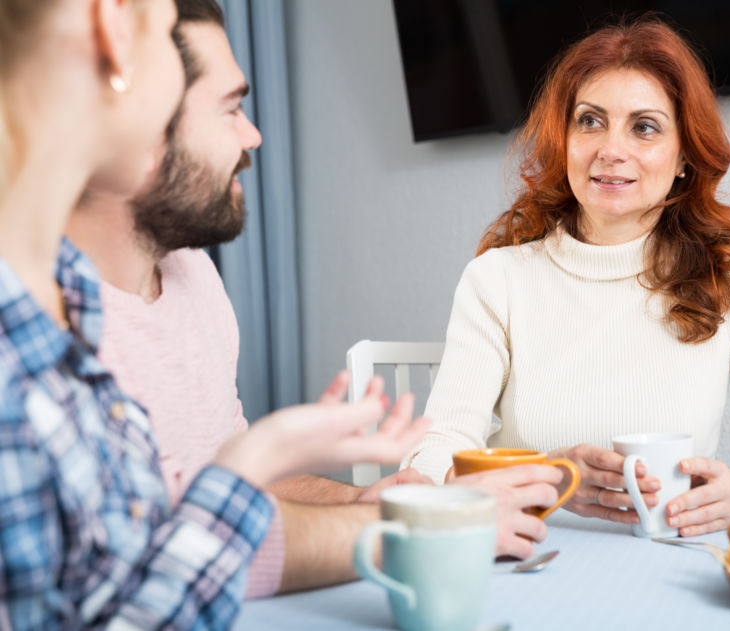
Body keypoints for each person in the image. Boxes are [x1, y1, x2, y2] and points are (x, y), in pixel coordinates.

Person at [64, 0, 562, 596]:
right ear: (140, 127)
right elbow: (172, 547)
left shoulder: (193, 274)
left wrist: (360, 497)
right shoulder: (43, 328)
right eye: (230, 107)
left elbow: (229, 489)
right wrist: (422, 526)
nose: (253, 134)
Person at [0, 0, 427, 627]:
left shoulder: (64, 304)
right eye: (229, 106)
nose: (252, 134)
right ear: (113, 25)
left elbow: (119, 583)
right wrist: (254, 464)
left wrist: (258, 459)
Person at [401, 17, 730, 536]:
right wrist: (544, 478)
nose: (610, 149)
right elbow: (432, 461)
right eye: (590, 121)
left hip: (673, 564)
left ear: (684, 155)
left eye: (644, 126)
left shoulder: (728, 270)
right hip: (530, 556)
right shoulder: (496, 281)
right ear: (565, 139)